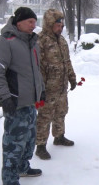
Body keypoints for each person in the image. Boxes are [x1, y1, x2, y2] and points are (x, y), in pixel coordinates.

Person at [0, 7, 45, 185]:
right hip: (15, 102)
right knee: (13, 144)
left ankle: (23, 167)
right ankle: (10, 179)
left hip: (30, 103)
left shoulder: (32, 42)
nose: (33, 25)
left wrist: (41, 90)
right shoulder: (4, 42)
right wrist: (5, 97)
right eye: (30, 22)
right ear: (18, 21)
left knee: (29, 140)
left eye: (35, 22)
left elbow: (36, 71)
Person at [35, 9, 77, 160]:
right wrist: (40, 89)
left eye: (62, 26)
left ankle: (59, 136)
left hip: (61, 87)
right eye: (57, 26)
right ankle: (40, 146)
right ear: (49, 25)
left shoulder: (62, 41)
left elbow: (67, 62)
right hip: (47, 88)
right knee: (45, 117)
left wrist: (72, 77)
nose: (60, 29)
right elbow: (37, 67)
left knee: (61, 112)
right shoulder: (41, 41)